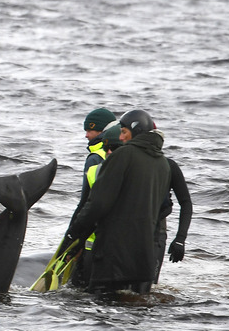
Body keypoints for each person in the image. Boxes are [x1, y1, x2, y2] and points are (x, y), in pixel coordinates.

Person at [65, 109, 171, 295]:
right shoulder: (162, 162)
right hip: (145, 256)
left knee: (101, 310)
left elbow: (97, 205)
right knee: (136, 310)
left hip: (113, 256)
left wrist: (74, 236)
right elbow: (166, 207)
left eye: (124, 132)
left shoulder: (122, 156)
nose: (121, 139)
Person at [67, 122, 123, 289]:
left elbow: (89, 208)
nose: (108, 153)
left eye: (89, 129)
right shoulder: (142, 171)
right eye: (107, 149)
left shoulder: (95, 163)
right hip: (115, 249)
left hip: (101, 247)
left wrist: (72, 238)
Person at [153, 151, 193, 285]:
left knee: (149, 285)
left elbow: (186, 203)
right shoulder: (125, 161)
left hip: (157, 231)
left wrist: (180, 239)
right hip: (130, 232)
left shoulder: (169, 166)